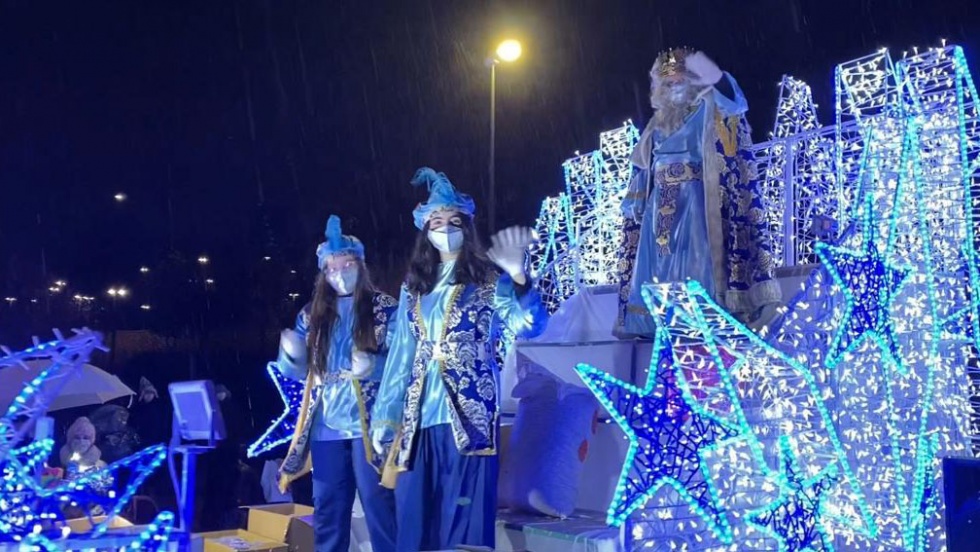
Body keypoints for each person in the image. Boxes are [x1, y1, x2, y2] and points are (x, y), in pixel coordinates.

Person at [369, 167, 549, 552]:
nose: (445, 228)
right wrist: (386, 417)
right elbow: (401, 356)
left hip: (470, 414)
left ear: (466, 228)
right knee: (415, 518)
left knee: (464, 519)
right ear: (425, 230)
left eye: (453, 221)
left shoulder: (488, 282)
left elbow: (530, 326)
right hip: (419, 418)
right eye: (437, 221)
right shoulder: (413, 289)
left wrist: (520, 280)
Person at [615, 48, 781, 338]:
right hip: (659, 204)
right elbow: (642, 164)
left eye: (680, 80)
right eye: (668, 83)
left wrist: (715, 76)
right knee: (658, 262)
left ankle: (698, 321)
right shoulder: (657, 122)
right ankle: (657, 323)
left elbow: (734, 103)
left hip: (693, 198)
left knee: (694, 259)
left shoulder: (707, 106)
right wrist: (636, 202)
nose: (674, 86)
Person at [277, 215, 398, 552]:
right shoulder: (310, 314)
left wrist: (374, 366)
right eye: (331, 267)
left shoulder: (384, 308)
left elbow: (405, 360)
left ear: (360, 266)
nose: (339, 273)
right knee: (329, 507)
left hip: (369, 424)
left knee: (378, 503)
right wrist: (291, 356)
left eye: (347, 264)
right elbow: (295, 372)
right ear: (323, 273)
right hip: (326, 425)